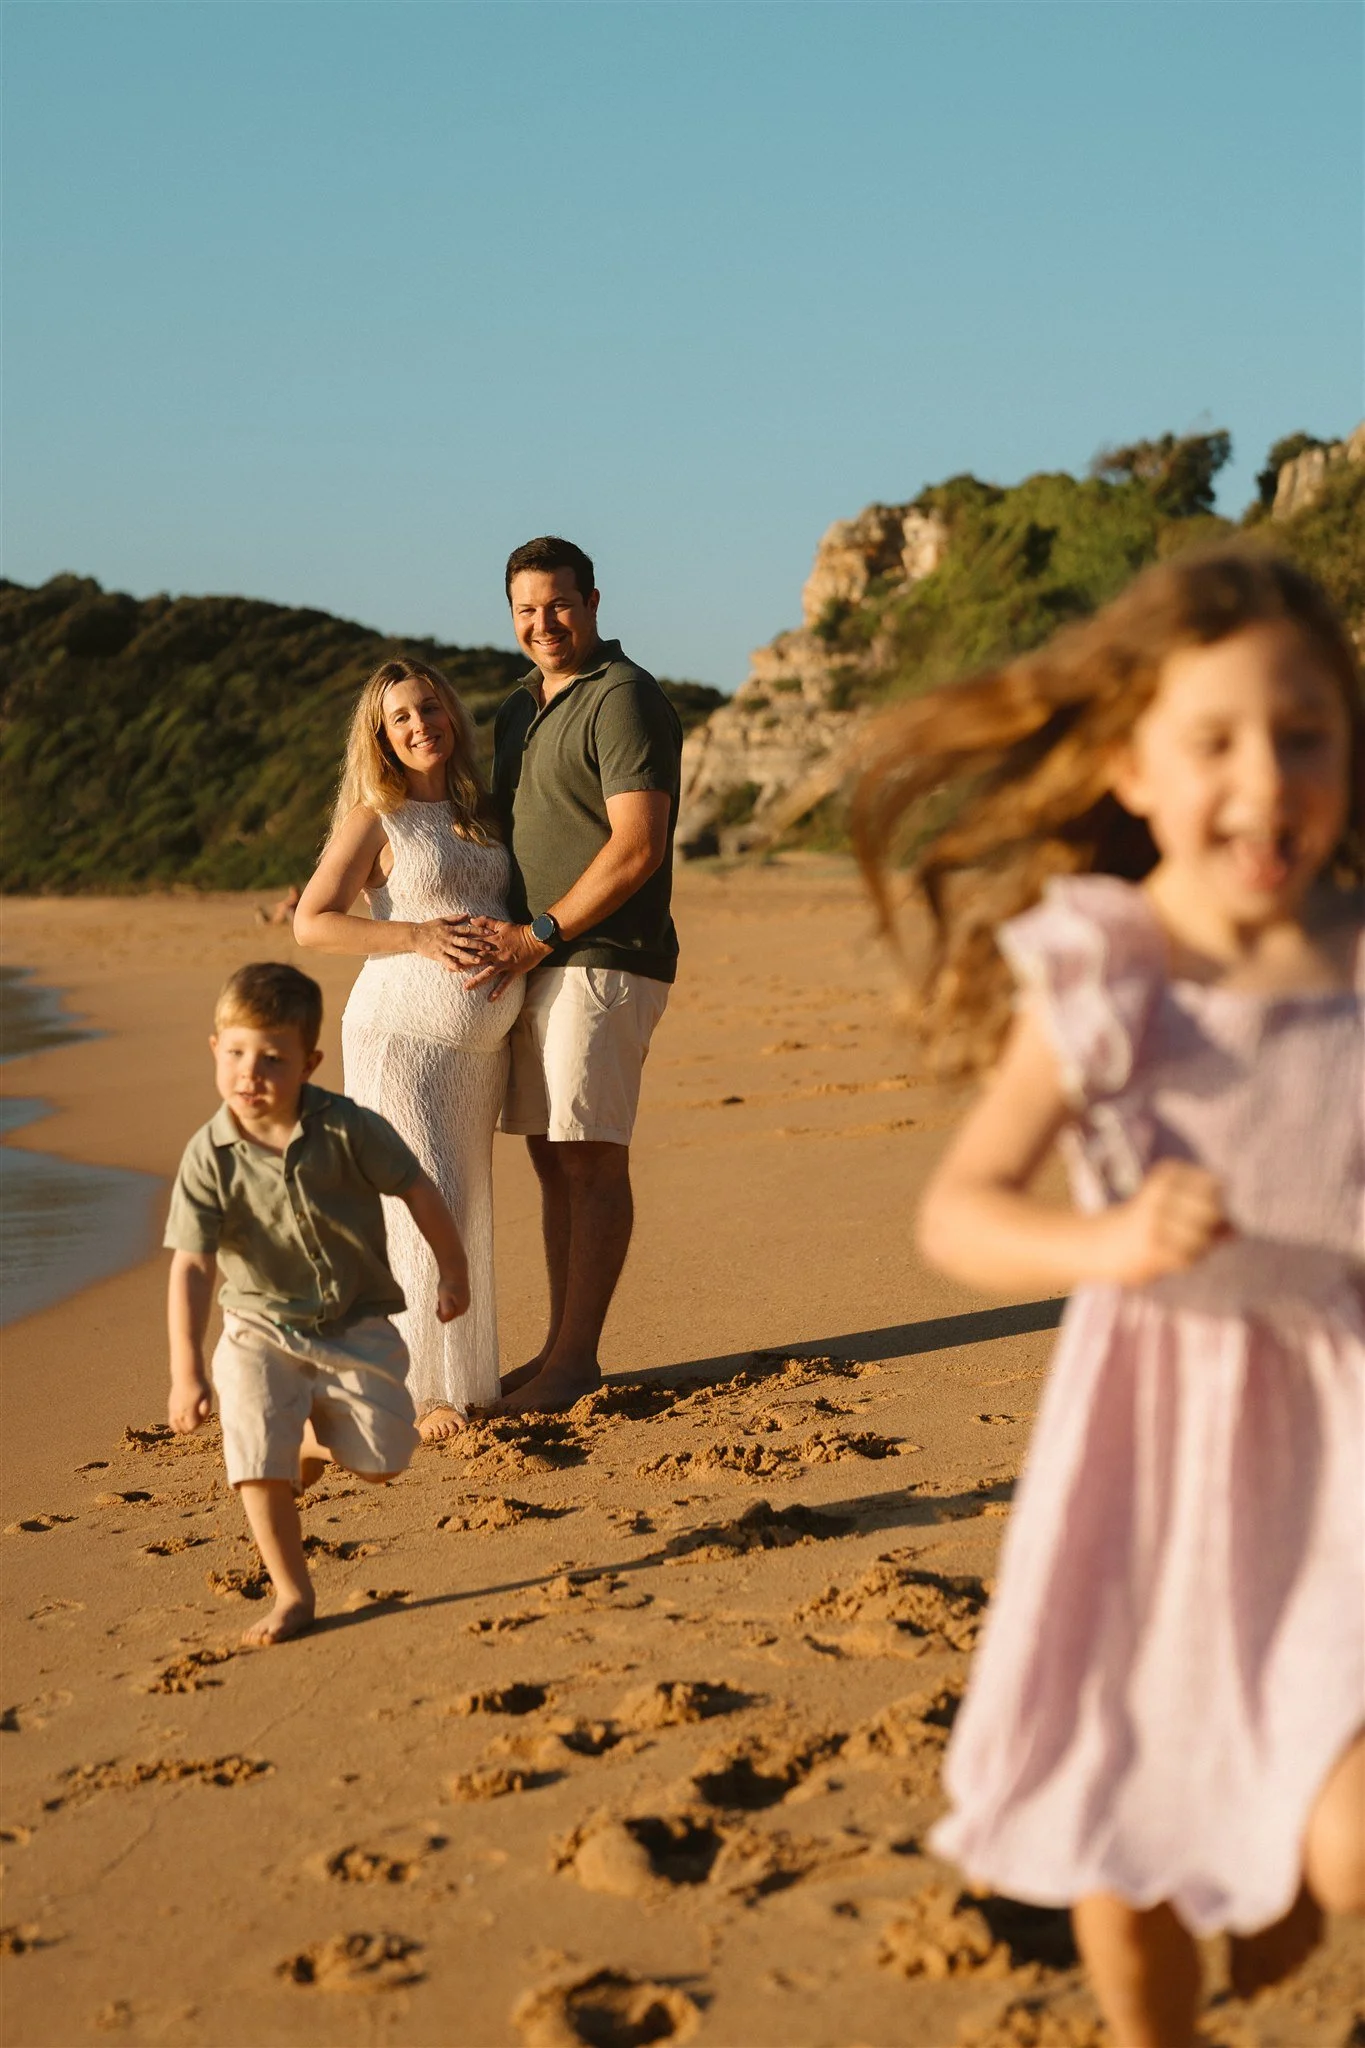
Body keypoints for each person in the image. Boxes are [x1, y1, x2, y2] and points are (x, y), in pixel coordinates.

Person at [853, 546, 1364, 2048]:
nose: (1262, 781)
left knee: (1344, 1837)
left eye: (1304, 733)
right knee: (1120, 1838)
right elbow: (961, 1212)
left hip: (1344, 1456)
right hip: (1155, 1459)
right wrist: (1111, 1241)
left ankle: (1286, 1876)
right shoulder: (1110, 974)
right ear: (1133, 767)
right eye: (1212, 742)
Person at [164, 962, 469, 1646]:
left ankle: (307, 1439)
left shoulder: (346, 1129)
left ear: (309, 1062)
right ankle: (292, 1592)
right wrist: (187, 1369)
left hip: (354, 1324)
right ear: (215, 1048)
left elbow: (416, 1186)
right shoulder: (208, 1156)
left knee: (384, 1459)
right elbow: (192, 1265)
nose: (251, 1073)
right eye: (237, 1052)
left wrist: (452, 1268)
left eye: (273, 1058)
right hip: (256, 1330)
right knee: (254, 1461)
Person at [452, 536, 682, 1415]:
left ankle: (576, 1363)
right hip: (538, 959)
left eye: (557, 604)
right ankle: (558, 1351)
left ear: (591, 600)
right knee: (553, 1160)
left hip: (600, 958)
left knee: (589, 1159)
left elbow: (638, 846)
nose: (541, 624)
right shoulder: (518, 708)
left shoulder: (623, 699)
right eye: (524, 610)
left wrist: (539, 933)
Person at [294, 657, 521, 1436]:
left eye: (429, 708)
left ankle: (466, 1380)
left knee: (469, 1208)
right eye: (402, 718)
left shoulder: (480, 811)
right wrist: (415, 935)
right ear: (383, 737)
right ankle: (419, 1393)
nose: (421, 724)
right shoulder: (376, 815)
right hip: (399, 1040)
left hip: (475, 1057)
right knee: (423, 1210)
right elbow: (313, 920)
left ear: (450, 714)